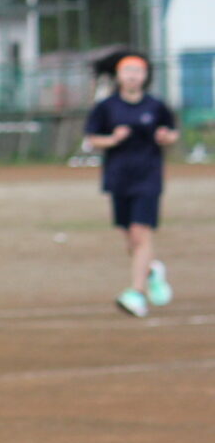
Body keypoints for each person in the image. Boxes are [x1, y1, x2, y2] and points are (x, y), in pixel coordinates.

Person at [83, 52, 179, 317]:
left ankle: (136, 293)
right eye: (128, 71)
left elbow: (172, 133)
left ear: (145, 76)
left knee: (140, 234)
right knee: (130, 238)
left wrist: (165, 137)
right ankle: (151, 271)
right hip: (118, 177)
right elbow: (92, 139)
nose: (133, 76)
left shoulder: (156, 106)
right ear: (119, 76)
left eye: (138, 71)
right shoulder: (107, 107)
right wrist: (112, 139)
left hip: (148, 177)